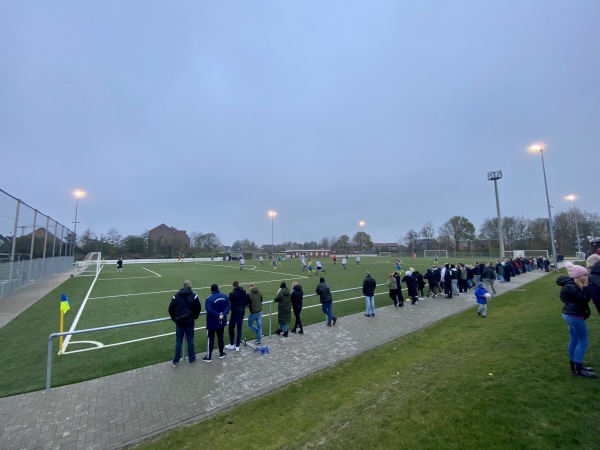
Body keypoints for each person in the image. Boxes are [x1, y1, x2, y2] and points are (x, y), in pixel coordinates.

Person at [558, 262, 596, 378]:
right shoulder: (573, 288)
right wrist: (586, 288)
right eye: (584, 275)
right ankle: (578, 369)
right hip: (575, 316)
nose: (586, 277)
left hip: (569, 314)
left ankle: (574, 365)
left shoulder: (568, 286)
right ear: (579, 277)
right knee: (583, 341)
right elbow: (583, 300)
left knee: (574, 339)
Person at [168, 280, 201, 367]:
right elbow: (198, 308)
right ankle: (191, 359)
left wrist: (174, 318)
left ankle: (176, 361)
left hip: (179, 322)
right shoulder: (194, 295)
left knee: (179, 341)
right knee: (190, 340)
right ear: (190, 286)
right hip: (189, 322)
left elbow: (170, 308)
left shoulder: (176, 295)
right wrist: (195, 316)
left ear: (183, 286)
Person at [204, 284, 231, 362]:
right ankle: (221, 353)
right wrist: (223, 314)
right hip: (221, 321)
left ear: (211, 290)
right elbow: (229, 305)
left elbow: (209, 309)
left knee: (211, 339)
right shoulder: (224, 296)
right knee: (220, 337)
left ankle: (209, 357)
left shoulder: (209, 299)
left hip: (212, 322)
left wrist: (218, 315)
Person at [225, 281, 248, 352]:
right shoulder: (244, 291)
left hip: (235, 313)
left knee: (231, 328)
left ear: (233, 286)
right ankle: (237, 345)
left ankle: (232, 344)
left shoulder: (232, 294)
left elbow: (230, 304)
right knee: (239, 329)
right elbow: (246, 301)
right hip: (241, 312)